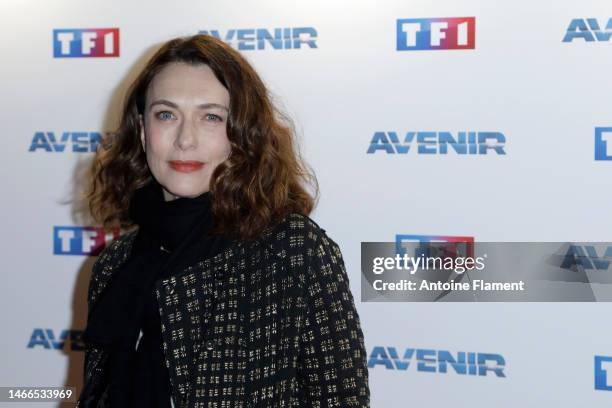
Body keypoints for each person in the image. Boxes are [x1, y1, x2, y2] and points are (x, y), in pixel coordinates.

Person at [76, 34, 370, 408]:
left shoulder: (293, 252)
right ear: (141, 128)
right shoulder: (115, 265)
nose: (185, 139)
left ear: (242, 134)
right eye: (166, 114)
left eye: (211, 117)